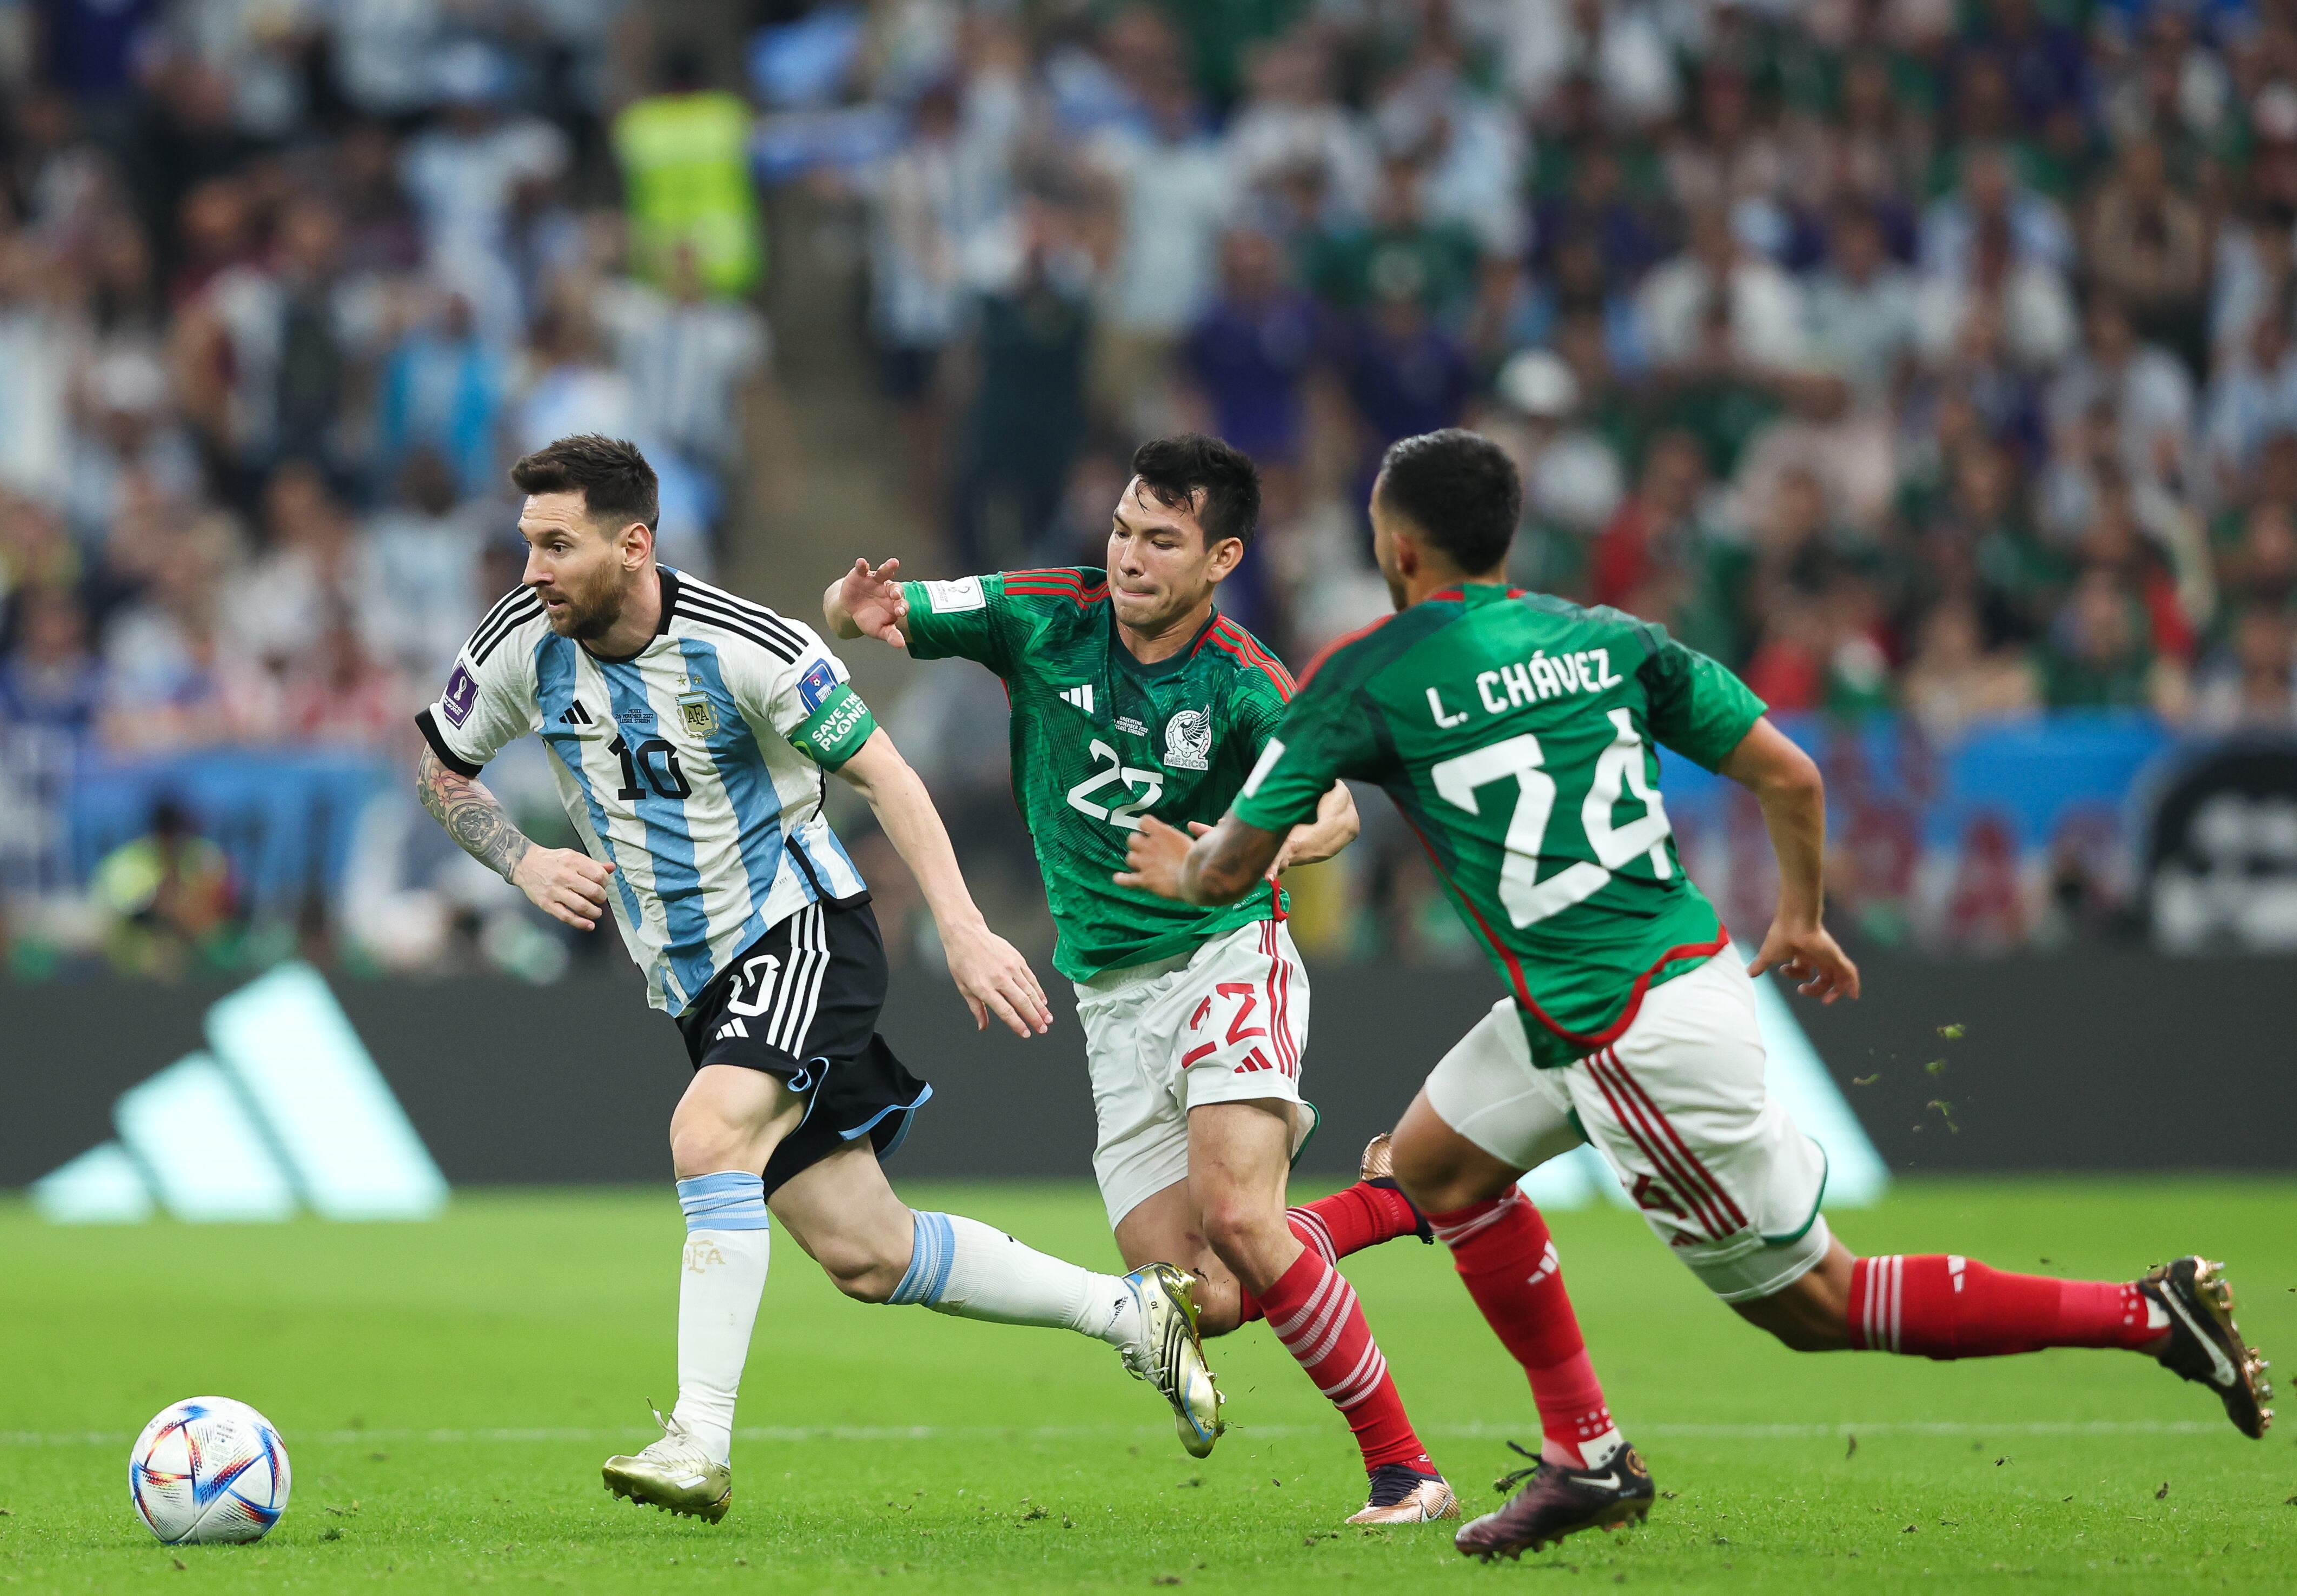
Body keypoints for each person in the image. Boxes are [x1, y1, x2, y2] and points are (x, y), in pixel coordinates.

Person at [1119, 427, 2275, 1561]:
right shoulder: (1610, 640)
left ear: (1396, 546)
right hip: (1614, 990)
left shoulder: (1367, 670)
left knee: (1816, 1305)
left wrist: (1187, 869)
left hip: (1624, 1032)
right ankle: (1587, 1457)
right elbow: (1791, 773)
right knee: (1434, 1167)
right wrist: (1801, 915)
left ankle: (2143, 1315)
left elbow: (1226, 863)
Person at [413, 434, 1221, 1524]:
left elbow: (884, 773)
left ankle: (697, 1440)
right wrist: (523, 858)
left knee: (706, 1138)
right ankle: (1131, 1319)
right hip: (695, 983)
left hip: (799, 932)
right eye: (527, 545)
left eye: (556, 545)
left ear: (633, 544)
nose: (531, 570)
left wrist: (967, 929)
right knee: (867, 1254)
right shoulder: (523, 641)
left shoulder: (748, 646)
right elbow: (441, 769)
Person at [825, 434, 1463, 1525]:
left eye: (1160, 540)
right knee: (1204, 1296)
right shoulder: (1040, 615)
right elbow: (871, 618)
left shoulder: (1244, 681)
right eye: (1123, 530)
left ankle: (1402, 1469)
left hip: (1224, 954)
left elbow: (1337, 810)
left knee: (1234, 1209)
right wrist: (849, 608)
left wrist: (1237, 849)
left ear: (1218, 560)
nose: (1127, 556)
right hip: (1108, 999)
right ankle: (1388, 1203)